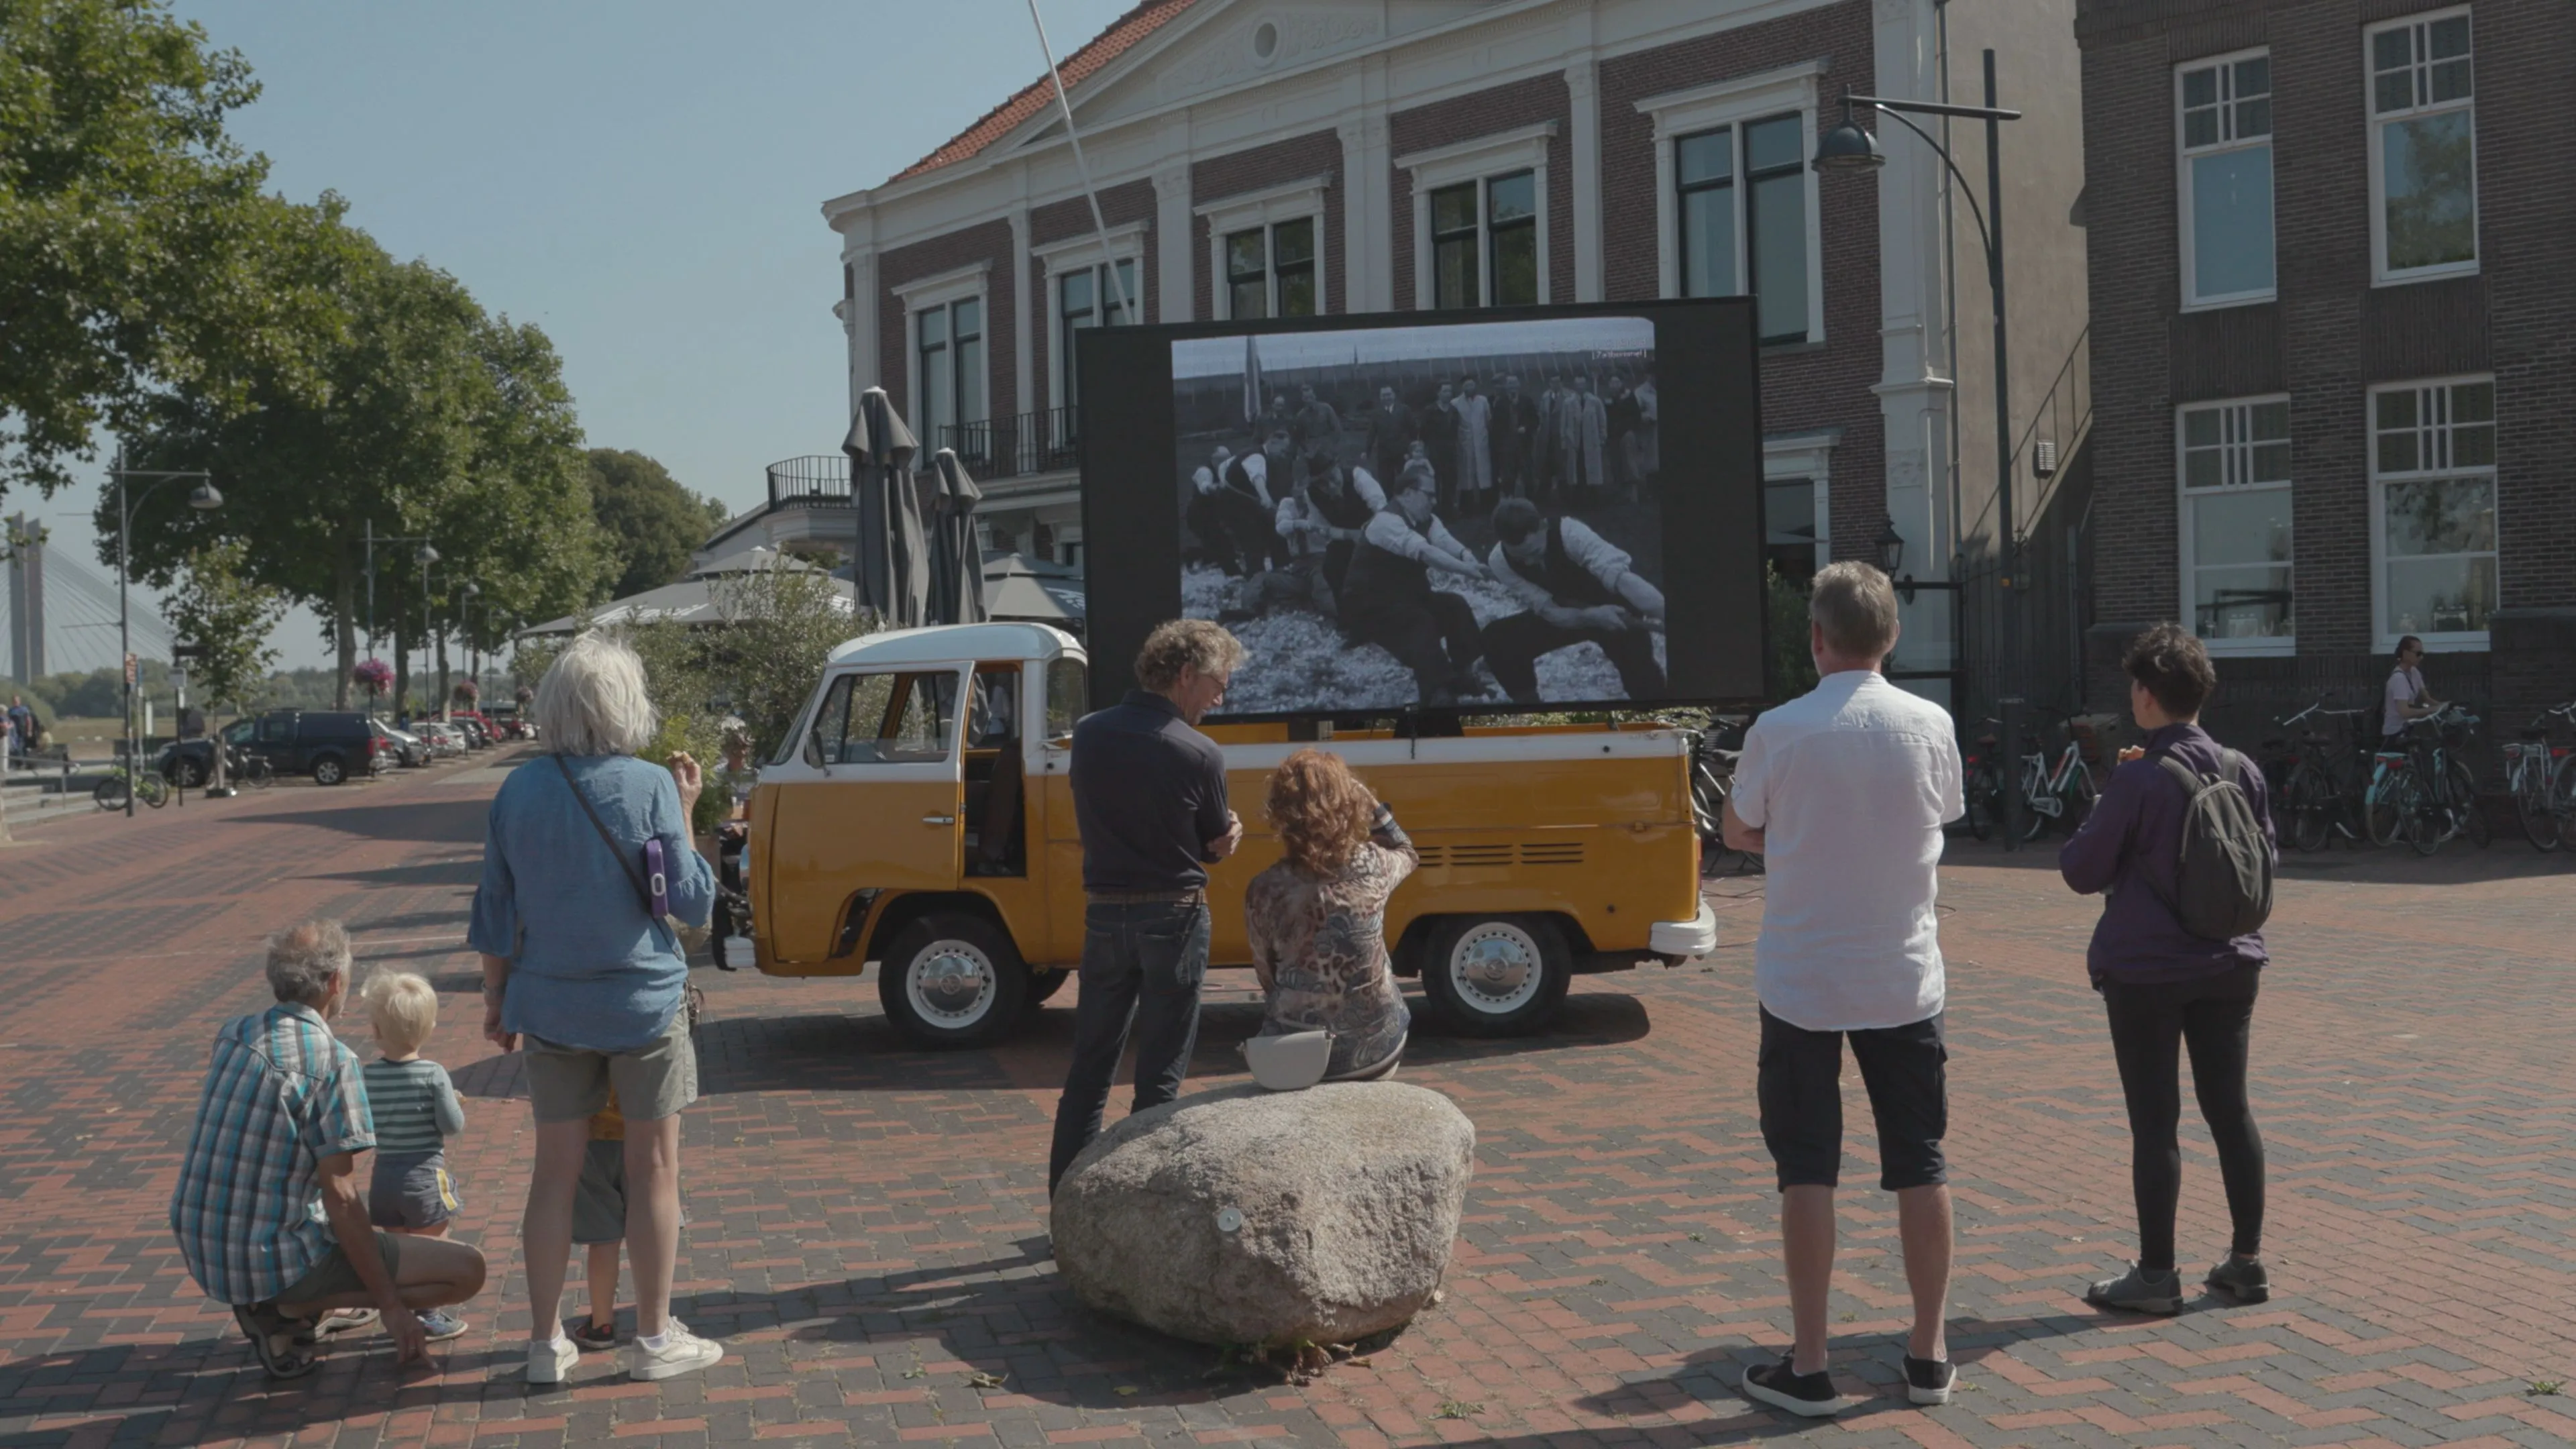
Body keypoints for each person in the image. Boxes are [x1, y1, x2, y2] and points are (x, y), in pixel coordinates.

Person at [1719, 562, 1963, 1417]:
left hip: (1803, 979)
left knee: (1806, 1168)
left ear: (1815, 638)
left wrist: (1785, 836)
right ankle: (1928, 1354)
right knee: (1920, 1161)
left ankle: (1813, 1362)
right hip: (1903, 974)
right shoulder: (1931, 724)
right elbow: (1941, 815)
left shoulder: (1779, 730)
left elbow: (1740, 825)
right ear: (1891, 637)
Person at [469, 631, 722, 1385]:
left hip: (548, 1001)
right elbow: (693, 904)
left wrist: (495, 997)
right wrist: (682, 811)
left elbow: (494, 910)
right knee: (652, 1170)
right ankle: (652, 1337)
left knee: (553, 1174)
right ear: (625, 705)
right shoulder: (647, 784)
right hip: (641, 1001)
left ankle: (546, 1342)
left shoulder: (517, 791)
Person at [2059, 623, 2273, 1315]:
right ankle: (2245, 1262)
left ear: (2147, 696)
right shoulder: (2243, 769)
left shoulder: (2138, 778)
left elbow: (2081, 871)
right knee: (2230, 1110)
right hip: (2231, 962)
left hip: (2148, 970)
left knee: (2156, 1122)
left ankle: (2156, 1276)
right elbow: (2264, 861)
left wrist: (2117, 793)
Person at [169, 921, 488, 1379]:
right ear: (336, 981)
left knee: (331, 1216)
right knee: (465, 1270)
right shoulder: (332, 1060)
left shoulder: (234, 1032)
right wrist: (390, 1304)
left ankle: (304, 1306)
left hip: (204, 1245)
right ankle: (287, 1306)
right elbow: (340, 1196)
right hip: (265, 1260)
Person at [1048, 620, 1247, 1193]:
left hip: (1105, 916)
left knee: (1088, 1070)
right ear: (1185, 674)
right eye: (1217, 681)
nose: (1221, 695)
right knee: (1159, 1079)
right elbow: (1214, 846)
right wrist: (1231, 836)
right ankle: (1139, 1210)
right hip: (1175, 915)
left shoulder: (1088, 734)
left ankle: (1067, 1205)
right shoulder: (1200, 752)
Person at [1243, 750, 1419, 1081]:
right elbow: (1407, 851)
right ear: (1350, 806)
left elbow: (1268, 977)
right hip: (1377, 1050)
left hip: (1297, 1053)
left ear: (1281, 814)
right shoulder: (1375, 868)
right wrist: (1374, 805)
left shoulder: (1265, 889)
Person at [359, 972, 472, 1341]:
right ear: (429, 1027)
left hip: (384, 1178)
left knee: (401, 1252)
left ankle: (404, 1312)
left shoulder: (368, 1075)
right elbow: (452, 1126)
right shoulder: (433, 1074)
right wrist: (453, 1100)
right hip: (423, 1174)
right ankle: (430, 1315)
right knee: (431, 1250)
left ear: (376, 1029)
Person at [1482, 498, 1666, 704]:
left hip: (1615, 611)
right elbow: (1551, 612)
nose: (1529, 563)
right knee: (1498, 640)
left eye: (1534, 553)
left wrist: (1664, 613)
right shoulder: (1499, 561)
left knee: (1643, 680)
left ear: (1542, 527)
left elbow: (1624, 581)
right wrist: (1591, 617)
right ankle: (1531, 710)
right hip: (1570, 614)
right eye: (1520, 558)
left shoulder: (1571, 533)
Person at [1340, 462, 1489, 707]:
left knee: (1455, 606)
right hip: (1371, 605)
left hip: (1405, 596)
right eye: (1429, 495)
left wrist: (1467, 557)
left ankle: (1463, 673)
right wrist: (1465, 571)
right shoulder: (1386, 521)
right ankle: (1436, 691)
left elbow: (1444, 541)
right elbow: (1426, 552)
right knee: (1418, 621)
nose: (1434, 501)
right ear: (1407, 494)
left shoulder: (1427, 519)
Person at [567, 1089, 635, 1350]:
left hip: (591, 1139)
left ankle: (602, 1324)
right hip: (643, 1133)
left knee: (604, 1239)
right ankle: (658, 1322)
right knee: (650, 1230)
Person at [709, 728, 760, 971]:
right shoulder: (717, 778)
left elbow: (759, 811)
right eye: (734, 749)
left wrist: (745, 825)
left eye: (743, 748)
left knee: (746, 892)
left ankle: (748, 943)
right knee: (721, 896)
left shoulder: (755, 777)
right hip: (723, 839)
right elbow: (710, 812)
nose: (739, 754)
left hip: (748, 838)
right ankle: (724, 954)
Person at [1555, 374, 1609, 496]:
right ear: (1575, 386)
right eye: (1578, 384)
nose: (1580, 387)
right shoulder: (1568, 403)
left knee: (1591, 472)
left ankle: (1593, 498)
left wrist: (1602, 438)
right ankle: (1578, 498)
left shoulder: (1595, 402)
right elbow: (1563, 425)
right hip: (1575, 443)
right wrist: (1564, 442)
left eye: (1582, 384)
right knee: (1577, 471)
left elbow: (1602, 422)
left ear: (1586, 385)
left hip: (1591, 443)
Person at [2382, 634, 2442, 741]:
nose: (2421, 657)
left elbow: (2427, 699)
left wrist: (2444, 706)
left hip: (2408, 730)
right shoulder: (2398, 679)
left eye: (2422, 654)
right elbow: (2404, 712)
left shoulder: (2414, 672)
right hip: (2396, 733)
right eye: (2418, 654)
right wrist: (2432, 710)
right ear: (2405, 653)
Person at [1492, 374, 1542, 499]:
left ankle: (1530, 502)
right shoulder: (1500, 403)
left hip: (1524, 446)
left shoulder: (1527, 401)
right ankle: (1509, 502)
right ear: (1506, 387)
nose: (1512, 387)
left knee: (1528, 477)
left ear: (1519, 386)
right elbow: (1495, 425)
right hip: (1507, 447)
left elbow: (1535, 420)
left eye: (1514, 384)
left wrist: (1526, 428)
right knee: (1508, 477)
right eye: (1509, 384)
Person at [1452, 375, 1494, 505]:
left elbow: (1488, 420)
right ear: (1462, 387)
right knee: (1467, 475)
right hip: (1465, 442)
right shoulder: (1455, 403)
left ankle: (1486, 504)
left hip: (1482, 441)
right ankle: (1467, 507)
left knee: (1484, 474)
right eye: (1466, 386)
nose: (1470, 388)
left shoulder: (1483, 401)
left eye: (1472, 385)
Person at [1420, 381, 1460, 514]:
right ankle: (1435, 511)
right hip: (1435, 450)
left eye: (1450, 391)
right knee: (1435, 481)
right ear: (1438, 393)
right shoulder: (1430, 411)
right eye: (1445, 391)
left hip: (1451, 450)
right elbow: (1423, 432)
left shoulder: (1454, 411)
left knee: (1450, 480)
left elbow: (1456, 431)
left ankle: (1449, 509)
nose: (1448, 394)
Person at [1363, 385, 1415, 484]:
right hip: (1384, 454)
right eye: (1384, 395)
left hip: (1402, 453)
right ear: (1380, 397)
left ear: (1394, 395)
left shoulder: (1404, 410)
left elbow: (1413, 431)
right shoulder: (1376, 414)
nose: (1387, 398)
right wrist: (1367, 451)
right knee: (1386, 481)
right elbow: (1372, 433)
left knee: (1405, 481)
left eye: (1389, 395)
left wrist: (1411, 451)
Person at [1293, 383, 1344, 460]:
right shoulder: (1301, 416)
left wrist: (1333, 447)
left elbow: (1337, 429)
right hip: (1312, 449)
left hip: (1328, 446)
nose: (1309, 401)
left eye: (1311, 397)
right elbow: (1300, 437)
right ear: (1302, 399)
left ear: (1315, 396)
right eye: (1306, 398)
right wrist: (1307, 450)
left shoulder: (1326, 409)